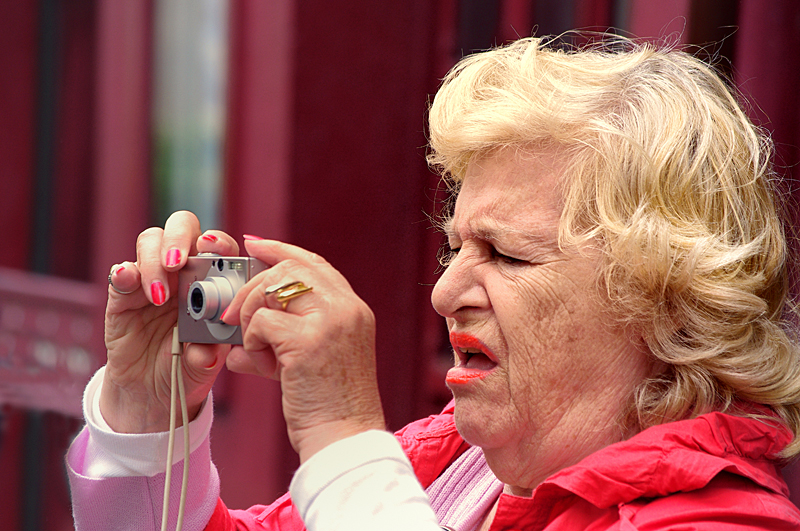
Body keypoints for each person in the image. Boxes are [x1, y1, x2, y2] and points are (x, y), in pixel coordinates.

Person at [67, 34, 800, 530]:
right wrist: (143, 409)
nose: (445, 293)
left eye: (506, 255)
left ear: (667, 301)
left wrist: (340, 434)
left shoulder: (722, 517)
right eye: (454, 249)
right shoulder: (451, 459)